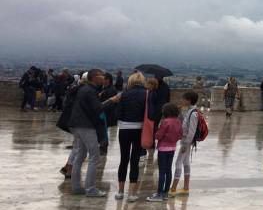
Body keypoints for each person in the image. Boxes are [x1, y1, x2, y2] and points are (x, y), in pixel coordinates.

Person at [69, 69, 114, 197]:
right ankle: (90, 189)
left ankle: (76, 187)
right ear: (94, 77)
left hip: (76, 124)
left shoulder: (85, 89)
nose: (104, 77)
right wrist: (112, 100)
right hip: (86, 126)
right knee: (95, 156)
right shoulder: (89, 90)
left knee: (80, 155)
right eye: (101, 75)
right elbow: (99, 109)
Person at [115, 72, 147, 201]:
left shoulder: (124, 94)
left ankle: (120, 191)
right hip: (139, 129)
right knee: (135, 160)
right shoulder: (147, 94)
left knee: (124, 159)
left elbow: (118, 113)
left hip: (124, 128)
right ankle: (132, 193)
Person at [147, 102, 182, 202]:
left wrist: (156, 133)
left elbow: (159, 135)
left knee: (161, 171)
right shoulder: (178, 121)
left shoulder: (165, 122)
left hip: (163, 149)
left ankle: (159, 194)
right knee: (168, 170)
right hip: (172, 148)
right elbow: (180, 134)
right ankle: (165, 192)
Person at [170, 90, 199, 196]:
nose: (181, 100)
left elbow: (191, 131)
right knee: (186, 162)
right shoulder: (190, 111)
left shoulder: (193, 114)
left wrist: (185, 145)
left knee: (178, 162)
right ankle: (186, 187)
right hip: (186, 141)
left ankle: (173, 188)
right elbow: (184, 124)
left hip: (186, 142)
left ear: (189, 100)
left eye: (183, 99)